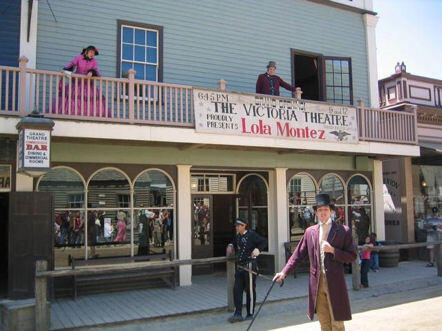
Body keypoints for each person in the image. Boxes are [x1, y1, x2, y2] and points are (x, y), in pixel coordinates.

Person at [273, 193, 357, 331]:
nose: (323, 213)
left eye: (325, 209)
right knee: (324, 322)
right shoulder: (310, 232)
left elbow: (352, 255)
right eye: (320, 210)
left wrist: (333, 251)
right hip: (317, 283)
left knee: (337, 323)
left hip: (335, 282)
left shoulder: (343, 231)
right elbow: (297, 255)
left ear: (331, 211)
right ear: (316, 213)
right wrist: (284, 272)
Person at [50, 45, 109, 117]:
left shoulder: (94, 61)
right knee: (73, 98)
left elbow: (97, 71)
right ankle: (71, 113)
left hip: (88, 85)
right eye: (91, 52)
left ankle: (87, 114)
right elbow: (71, 63)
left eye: (93, 53)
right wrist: (66, 69)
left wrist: (92, 72)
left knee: (89, 100)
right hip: (77, 83)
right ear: (86, 51)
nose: (92, 54)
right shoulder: (79, 57)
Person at [227, 218, 267, 323]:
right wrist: (231, 245)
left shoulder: (252, 235)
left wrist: (258, 250)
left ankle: (250, 313)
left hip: (249, 265)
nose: (236, 227)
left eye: (238, 226)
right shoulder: (238, 236)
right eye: (236, 226)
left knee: (250, 290)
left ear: (244, 226)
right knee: (237, 289)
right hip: (240, 266)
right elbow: (234, 242)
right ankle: (238, 313)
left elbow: (264, 241)